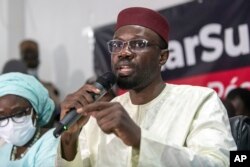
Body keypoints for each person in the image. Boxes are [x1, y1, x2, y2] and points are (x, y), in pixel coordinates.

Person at [58, 7, 236, 166]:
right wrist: (69, 137)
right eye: (117, 45)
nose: (124, 52)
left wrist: (140, 140)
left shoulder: (200, 101)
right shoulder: (99, 114)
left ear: (162, 57)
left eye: (138, 44)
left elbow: (219, 163)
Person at [0, 72, 59, 166]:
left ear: (35, 111)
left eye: (18, 114)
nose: (10, 125)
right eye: (1, 118)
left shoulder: (52, 142)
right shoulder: (5, 149)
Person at [19, 39, 61, 127]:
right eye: (27, 57)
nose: (30, 60)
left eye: (33, 56)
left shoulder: (49, 87)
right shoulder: (14, 86)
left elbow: (58, 113)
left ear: (38, 60)